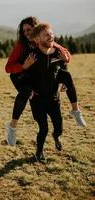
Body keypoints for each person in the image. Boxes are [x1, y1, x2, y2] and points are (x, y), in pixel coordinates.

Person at [5, 17, 86, 146]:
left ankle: (75, 111)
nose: (26, 33)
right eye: (24, 31)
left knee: (65, 74)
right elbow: (8, 67)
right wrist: (23, 66)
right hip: (20, 75)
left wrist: (67, 59)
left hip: (40, 75)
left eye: (29, 30)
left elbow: (63, 53)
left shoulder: (44, 40)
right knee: (26, 92)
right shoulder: (21, 45)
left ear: (36, 31)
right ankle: (12, 127)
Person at [23, 23, 86, 161]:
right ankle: (39, 153)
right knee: (43, 129)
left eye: (51, 33)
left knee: (59, 129)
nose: (50, 35)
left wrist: (64, 81)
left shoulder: (58, 53)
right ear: (37, 39)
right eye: (46, 34)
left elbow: (63, 69)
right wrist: (28, 88)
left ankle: (57, 136)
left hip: (54, 99)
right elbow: (23, 77)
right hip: (37, 100)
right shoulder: (32, 56)